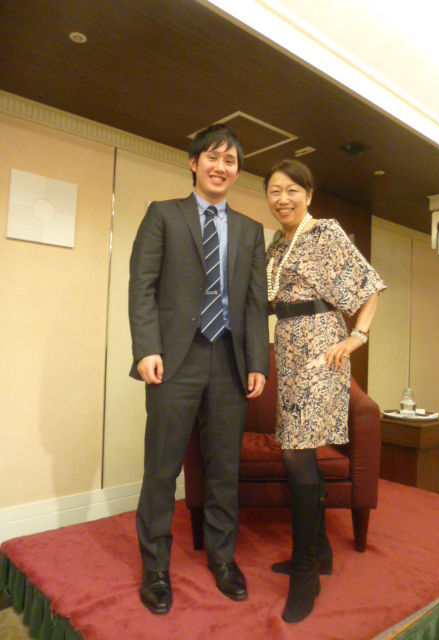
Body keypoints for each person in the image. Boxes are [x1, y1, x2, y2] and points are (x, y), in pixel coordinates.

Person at [129, 124, 269, 614]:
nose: (220, 167)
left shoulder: (250, 230)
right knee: (161, 468)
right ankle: (155, 568)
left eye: (230, 161)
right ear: (194, 163)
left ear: (237, 172)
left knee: (224, 468)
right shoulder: (163, 215)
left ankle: (223, 559)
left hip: (229, 359)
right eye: (212, 157)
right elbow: (142, 287)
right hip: (175, 359)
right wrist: (146, 348)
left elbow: (255, 303)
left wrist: (258, 362)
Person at [264, 159, 385, 623]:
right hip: (289, 351)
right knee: (297, 454)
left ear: (309, 194)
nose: (283, 199)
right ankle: (321, 554)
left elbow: (369, 287)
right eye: (274, 191)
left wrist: (358, 337)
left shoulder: (326, 232)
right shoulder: (278, 243)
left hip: (321, 351)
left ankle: (305, 572)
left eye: (292, 190)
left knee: (297, 454)